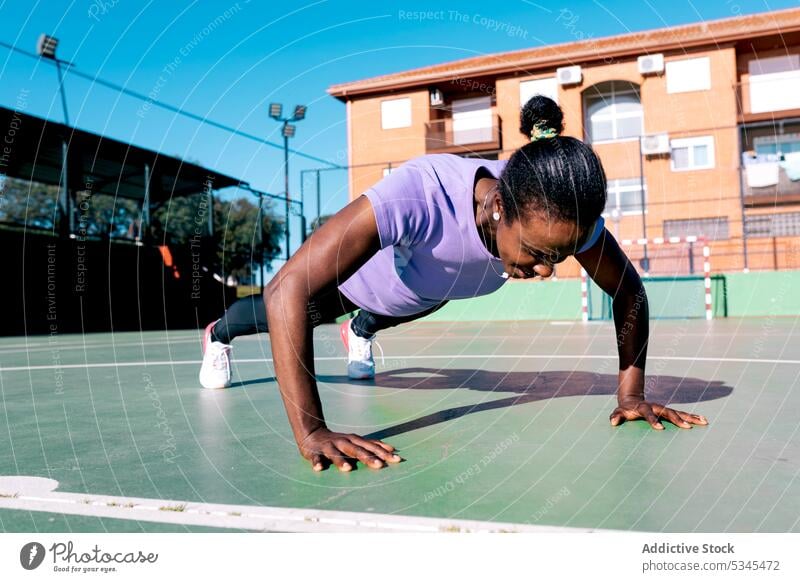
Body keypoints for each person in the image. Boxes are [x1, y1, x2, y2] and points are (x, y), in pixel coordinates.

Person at [198, 96, 709, 472]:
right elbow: (287, 286)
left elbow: (629, 291)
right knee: (282, 311)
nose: (548, 269)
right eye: (536, 254)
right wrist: (311, 429)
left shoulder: (557, 210)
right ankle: (219, 333)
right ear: (497, 208)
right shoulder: (419, 195)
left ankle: (363, 332)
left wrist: (631, 394)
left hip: (429, 291)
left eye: (559, 256)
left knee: (411, 302)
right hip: (361, 285)